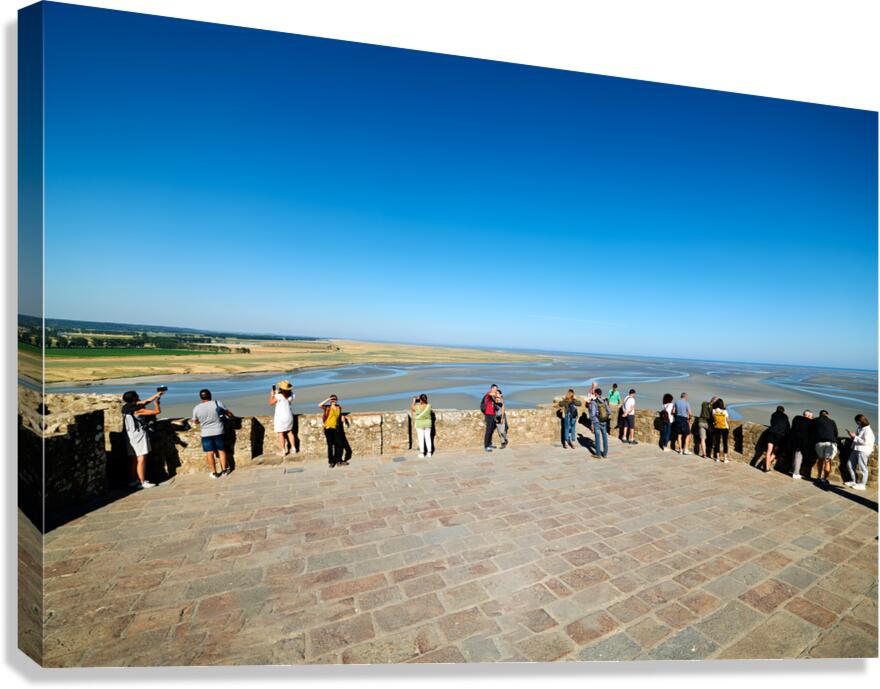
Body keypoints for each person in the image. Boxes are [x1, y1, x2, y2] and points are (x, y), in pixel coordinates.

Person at [121, 389, 163, 489]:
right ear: (134, 398)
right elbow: (157, 411)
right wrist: (157, 403)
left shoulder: (125, 408)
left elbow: (144, 402)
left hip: (130, 435)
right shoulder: (137, 410)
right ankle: (142, 482)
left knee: (134, 459)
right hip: (139, 435)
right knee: (142, 458)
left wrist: (156, 395)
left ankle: (134, 480)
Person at [191, 389, 232, 479]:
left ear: (200, 397)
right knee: (221, 450)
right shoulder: (218, 403)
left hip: (205, 433)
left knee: (210, 453)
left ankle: (214, 473)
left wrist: (201, 421)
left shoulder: (197, 408)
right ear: (210, 395)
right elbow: (228, 413)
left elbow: (195, 421)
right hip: (219, 431)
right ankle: (224, 470)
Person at [320, 394, 352, 467]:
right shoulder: (327, 407)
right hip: (328, 428)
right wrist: (328, 399)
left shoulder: (338, 407)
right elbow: (319, 405)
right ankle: (331, 462)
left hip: (336, 429)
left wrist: (343, 416)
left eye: (335, 399)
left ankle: (338, 460)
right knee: (330, 446)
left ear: (337, 400)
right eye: (332, 399)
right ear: (330, 400)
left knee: (339, 445)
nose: (333, 401)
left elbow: (339, 415)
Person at [845, 415, 874, 491]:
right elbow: (857, 439)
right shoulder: (860, 428)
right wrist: (852, 436)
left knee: (862, 468)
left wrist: (855, 437)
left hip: (863, 451)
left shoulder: (868, 430)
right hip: (856, 449)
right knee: (849, 464)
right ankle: (854, 481)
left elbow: (865, 442)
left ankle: (862, 485)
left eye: (857, 421)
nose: (857, 423)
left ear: (861, 421)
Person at [268, 380, 297, 457]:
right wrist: (277, 393)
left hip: (280, 416)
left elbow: (270, 403)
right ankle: (293, 448)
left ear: (281, 389)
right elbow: (288, 397)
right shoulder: (291, 395)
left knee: (281, 433)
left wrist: (272, 395)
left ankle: (283, 451)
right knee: (289, 431)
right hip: (289, 415)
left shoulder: (278, 396)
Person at [813, 410, 839, 485]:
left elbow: (811, 431)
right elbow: (836, 433)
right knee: (827, 461)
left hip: (819, 443)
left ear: (819, 414)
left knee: (820, 459)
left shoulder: (815, 420)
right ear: (827, 415)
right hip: (830, 443)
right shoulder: (832, 421)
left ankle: (818, 477)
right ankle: (824, 479)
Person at [788, 410, 814, 479]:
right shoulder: (810, 422)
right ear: (808, 416)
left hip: (792, 439)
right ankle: (796, 473)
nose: (812, 418)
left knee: (794, 455)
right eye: (811, 416)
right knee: (799, 456)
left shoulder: (796, 418)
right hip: (802, 441)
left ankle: (793, 470)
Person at [764, 405, 790, 472]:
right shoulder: (785, 416)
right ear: (783, 411)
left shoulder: (774, 414)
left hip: (771, 432)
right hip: (780, 435)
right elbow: (787, 427)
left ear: (776, 410)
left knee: (769, 450)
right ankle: (767, 463)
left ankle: (766, 467)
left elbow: (772, 423)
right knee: (776, 452)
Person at [589, 388, 611, 458]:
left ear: (596, 394)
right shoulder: (604, 401)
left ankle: (598, 454)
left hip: (596, 422)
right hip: (604, 421)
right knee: (604, 437)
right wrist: (605, 417)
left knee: (597, 437)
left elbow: (592, 414)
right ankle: (605, 454)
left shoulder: (594, 402)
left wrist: (592, 423)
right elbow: (609, 412)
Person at [481, 384, 500, 452]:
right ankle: (486, 446)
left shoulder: (492, 397)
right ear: (491, 389)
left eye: (496, 389)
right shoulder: (488, 395)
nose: (496, 390)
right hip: (488, 415)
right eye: (495, 389)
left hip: (492, 415)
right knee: (488, 430)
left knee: (491, 430)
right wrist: (496, 395)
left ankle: (489, 444)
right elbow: (490, 394)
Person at [711, 398, 731, 463]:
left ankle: (717, 458)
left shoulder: (714, 411)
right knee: (725, 443)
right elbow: (728, 420)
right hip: (724, 428)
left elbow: (714, 418)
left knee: (717, 443)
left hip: (717, 428)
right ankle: (725, 459)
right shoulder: (725, 411)